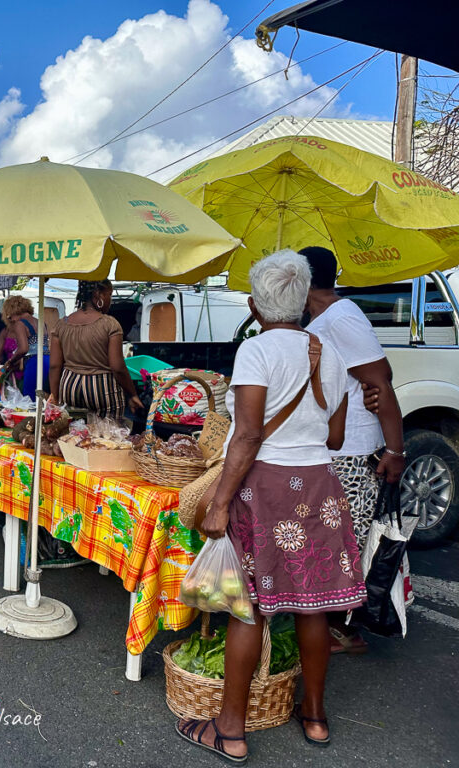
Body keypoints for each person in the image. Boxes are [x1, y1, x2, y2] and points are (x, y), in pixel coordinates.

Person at [177, 250, 365, 761]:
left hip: (265, 486)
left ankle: (231, 730)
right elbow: (336, 435)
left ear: (254, 305)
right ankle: (316, 716)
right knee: (315, 604)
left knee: (248, 607)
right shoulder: (331, 352)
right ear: (304, 300)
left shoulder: (256, 352)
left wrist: (217, 504)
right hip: (320, 485)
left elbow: (247, 437)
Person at [301, 245, 405, 655]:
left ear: (306, 281)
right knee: (330, 539)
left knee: (342, 543)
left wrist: (395, 451)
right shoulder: (323, 319)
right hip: (334, 448)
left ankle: (343, 629)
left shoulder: (342, 318)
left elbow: (380, 380)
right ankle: (330, 623)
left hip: (352, 451)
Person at [48, 280, 144, 419]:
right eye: (109, 295)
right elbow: (117, 367)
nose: (110, 300)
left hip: (70, 387)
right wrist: (132, 394)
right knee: (109, 435)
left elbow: (55, 365)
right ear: (98, 295)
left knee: (74, 434)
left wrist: (55, 396)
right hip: (102, 387)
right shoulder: (110, 324)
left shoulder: (61, 324)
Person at [0, 295, 48, 399]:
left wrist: (10, 361)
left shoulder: (20, 324)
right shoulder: (41, 322)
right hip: (48, 361)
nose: (11, 320)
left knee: (29, 400)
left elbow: (23, 349)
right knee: (42, 399)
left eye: (10, 317)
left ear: (13, 311)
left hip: (34, 363)